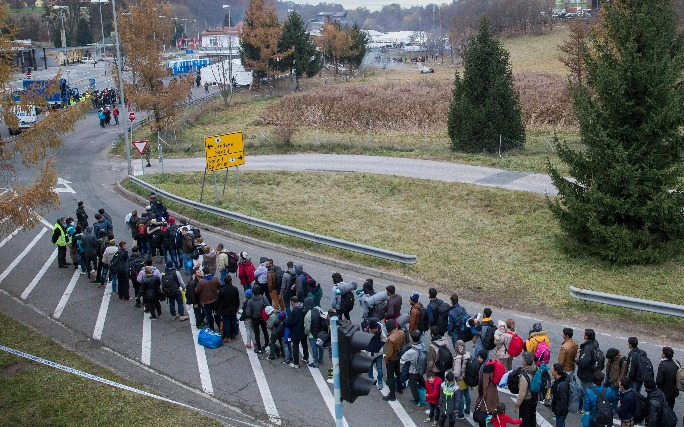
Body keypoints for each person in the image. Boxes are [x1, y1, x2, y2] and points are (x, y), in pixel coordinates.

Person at [400, 330, 427, 406]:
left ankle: (416, 400)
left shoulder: (411, 352)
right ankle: (427, 392)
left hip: (413, 371)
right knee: (422, 381)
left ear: (412, 338)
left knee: (413, 386)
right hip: (420, 368)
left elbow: (402, 359)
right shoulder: (422, 346)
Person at [383, 319, 406, 401]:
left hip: (392, 359)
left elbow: (389, 353)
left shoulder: (390, 339)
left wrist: (386, 359)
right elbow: (403, 344)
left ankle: (392, 395)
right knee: (398, 373)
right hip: (398, 356)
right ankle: (399, 388)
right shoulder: (401, 332)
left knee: (390, 377)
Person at [513, 351, 538, 427]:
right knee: (532, 417)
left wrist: (517, 405)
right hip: (534, 397)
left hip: (526, 400)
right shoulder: (536, 368)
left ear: (524, 362)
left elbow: (522, 393)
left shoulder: (524, 376)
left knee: (524, 421)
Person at [475, 349, 499, 422]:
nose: (478, 359)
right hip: (493, 389)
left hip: (488, 392)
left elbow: (485, 384)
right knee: (493, 406)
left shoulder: (485, 368)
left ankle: (487, 422)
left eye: (480, 357)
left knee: (485, 408)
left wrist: (482, 395)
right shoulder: (490, 362)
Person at [245, 285, 269, 354]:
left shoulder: (250, 301)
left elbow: (248, 313)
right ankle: (267, 344)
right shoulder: (262, 298)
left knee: (257, 332)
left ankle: (259, 348)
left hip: (255, 318)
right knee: (265, 330)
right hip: (262, 317)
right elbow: (268, 305)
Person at [195, 266, 220, 330]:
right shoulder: (215, 279)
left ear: (203, 273)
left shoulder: (201, 282)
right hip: (215, 299)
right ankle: (220, 325)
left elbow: (196, 291)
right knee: (216, 313)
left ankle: (211, 327)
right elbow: (219, 286)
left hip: (206, 301)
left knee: (209, 315)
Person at [284, 296, 307, 367]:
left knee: (295, 347)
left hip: (296, 331)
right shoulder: (303, 307)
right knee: (304, 344)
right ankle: (306, 358)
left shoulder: (295, 310)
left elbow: (292, 321)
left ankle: (296, 363)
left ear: (292, 302)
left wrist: (285, 322)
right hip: (303, 329)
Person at [216, 275, 239, 342]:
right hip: (233, 307)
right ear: (231, 281)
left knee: (226, 322)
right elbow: (237, 299)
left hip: (225, 309)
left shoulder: (221, 290)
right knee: (234, 320)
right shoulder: (235, 288)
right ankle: (235, 333)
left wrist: (215, 308)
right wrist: (237, 306)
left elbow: (218, 300)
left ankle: (228, 337)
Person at [453, 339, 472, 418]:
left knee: (460, 397)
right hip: (467, 379)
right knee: (467, 394)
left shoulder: (458, 358)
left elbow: (457, 373)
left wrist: (452, 375)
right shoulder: (468, 355)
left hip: (460, 380)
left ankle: (460, 414)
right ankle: (467, 410)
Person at [364, 320, 386, 391]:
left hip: (378, 353)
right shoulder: (366, 332)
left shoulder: (380, 331)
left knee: (379, 369)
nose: (377, 329)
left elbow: (384, 339)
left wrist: (378, 347)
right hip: (369, 353)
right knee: (370, 367)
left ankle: (380, 382)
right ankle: (371, 379)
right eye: (375, 328)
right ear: (371, 329)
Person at [304, 297, 324, 367]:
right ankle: (321, 359)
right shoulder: (318, 309)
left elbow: (307, 328)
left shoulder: (308, 315)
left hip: (312, 335)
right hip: (321, 333)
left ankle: (315, 362)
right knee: (321, 346)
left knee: (314, 348)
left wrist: (306, 333)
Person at [550, 362, 571, 427]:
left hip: (561, 411)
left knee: (559, 424)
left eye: (552, 369)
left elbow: (563, 401)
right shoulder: (561, 380)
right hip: (560, 409)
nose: (551, 370)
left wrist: (557, 411)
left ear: (556, 372)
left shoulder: (561, 386)